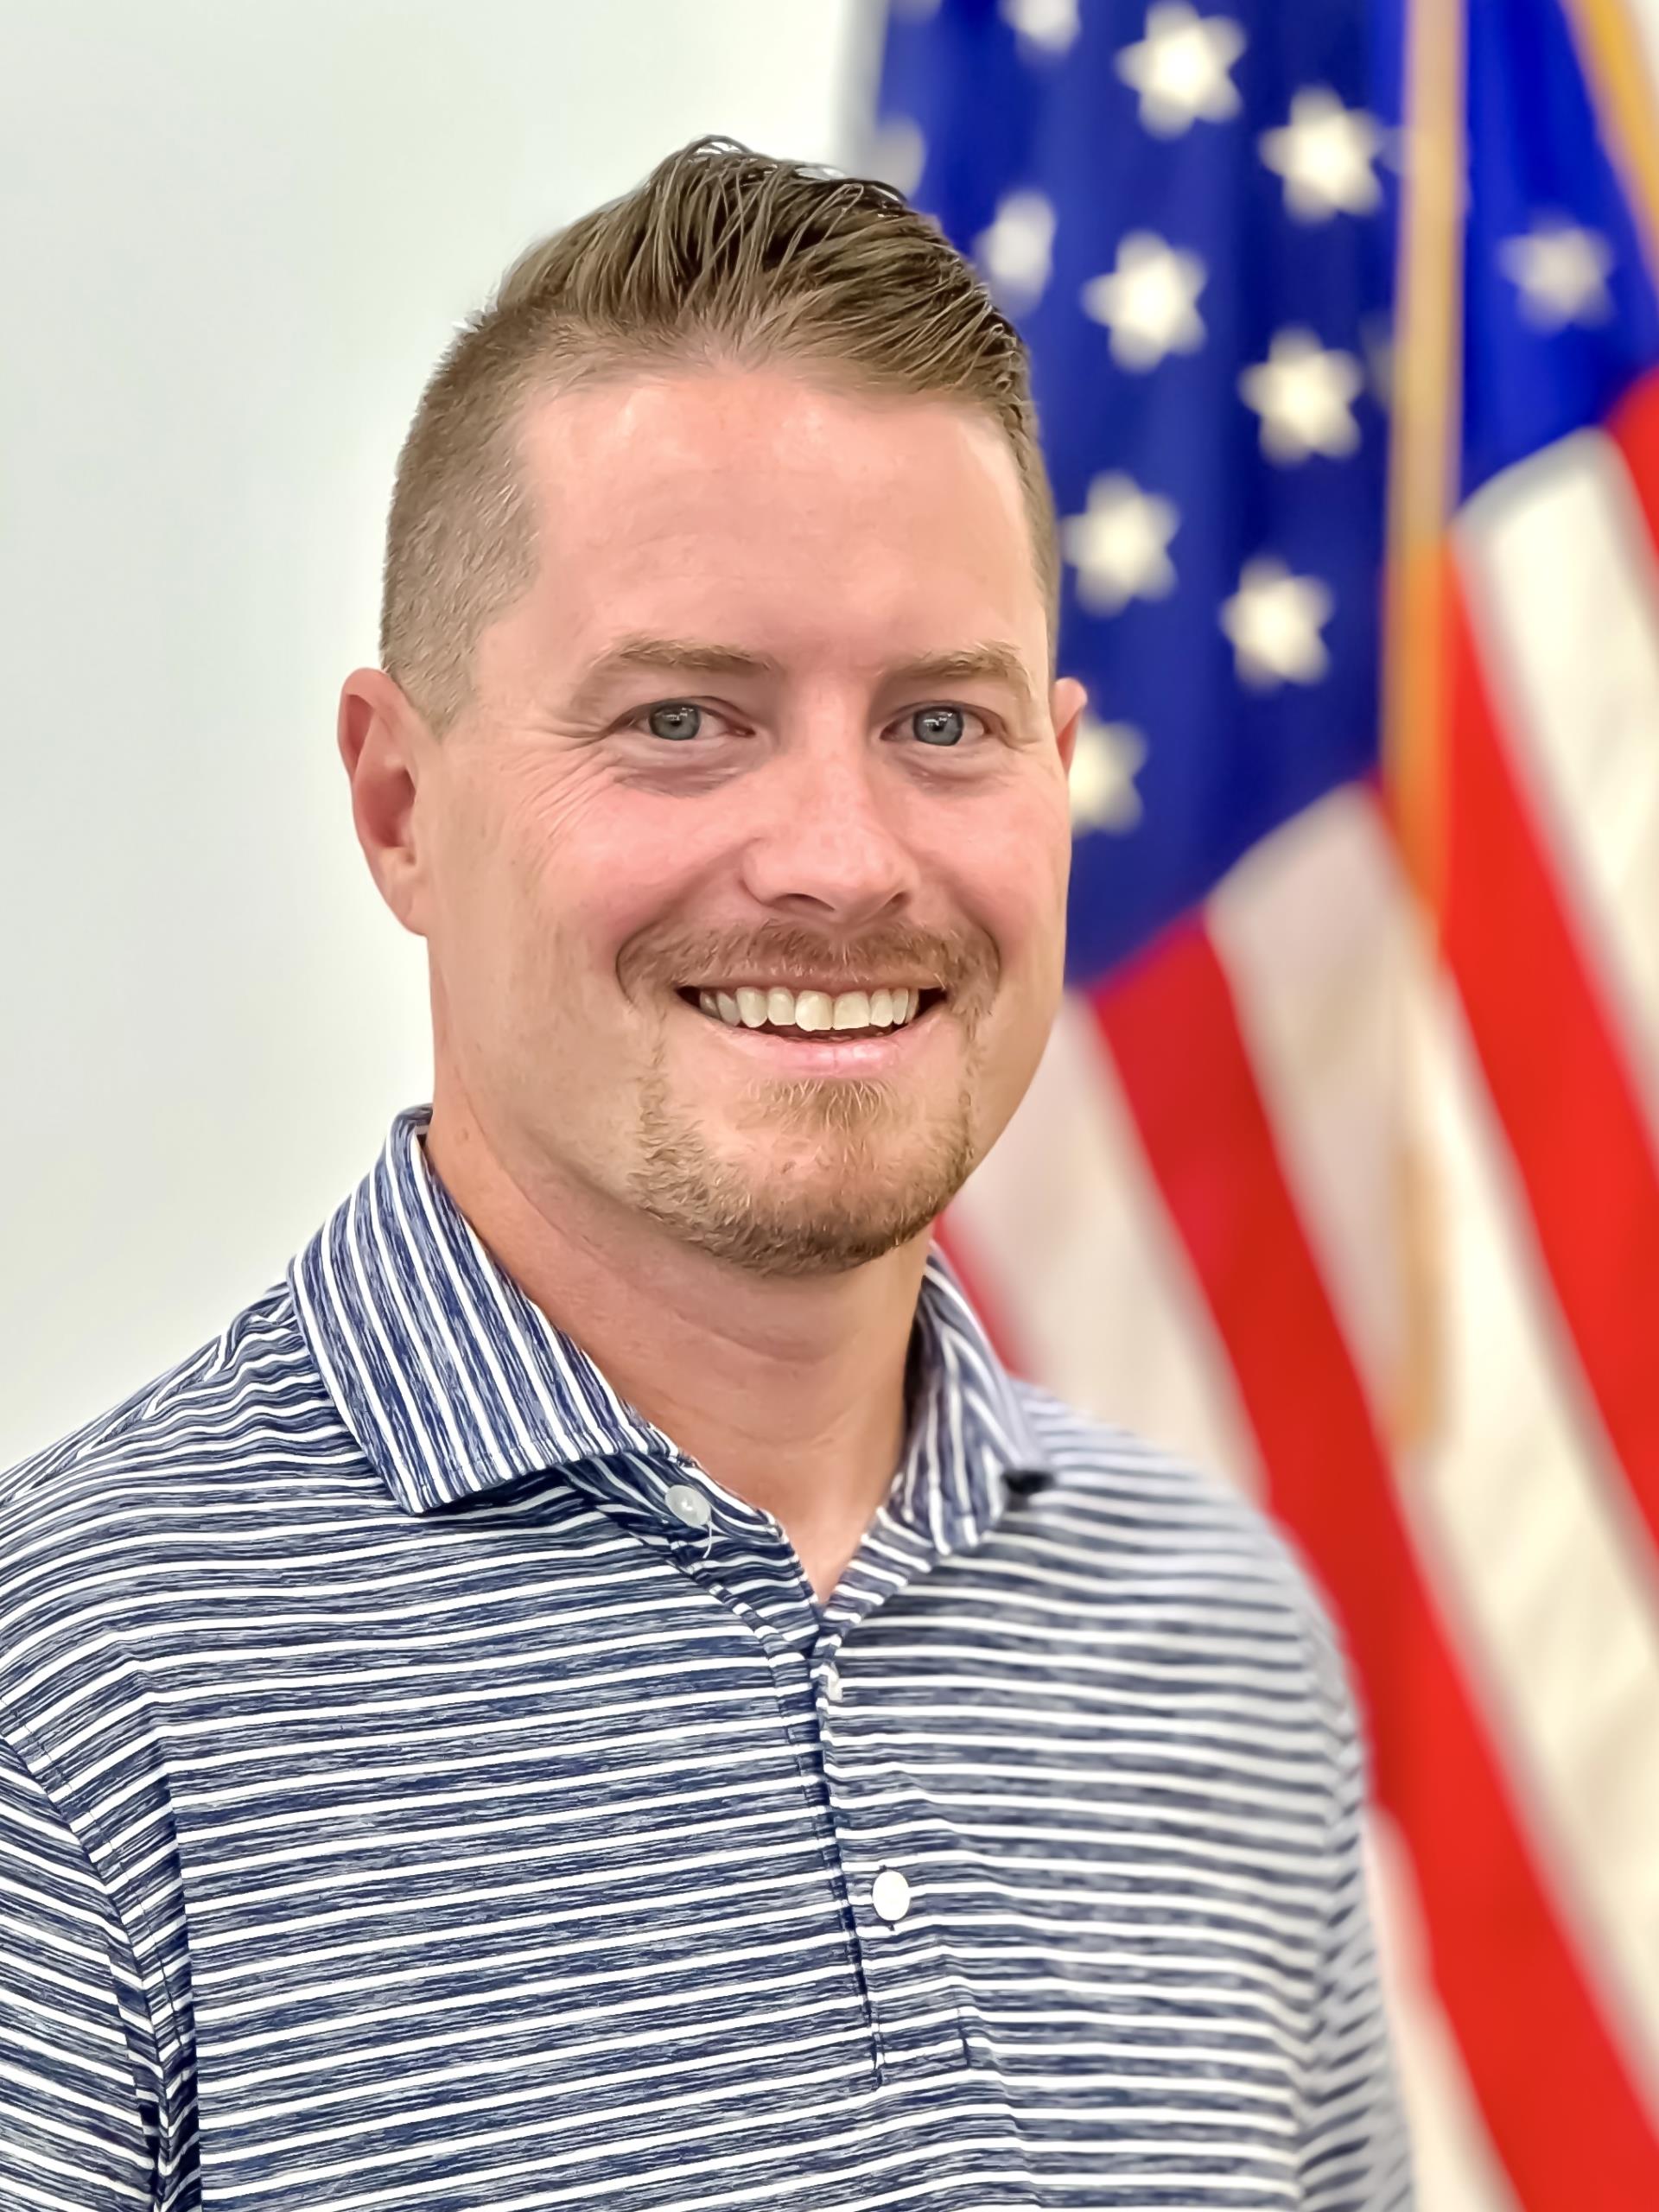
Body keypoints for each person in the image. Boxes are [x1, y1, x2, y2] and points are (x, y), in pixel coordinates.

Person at [0, 139, 1412, 2210]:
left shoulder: (1216, 1648)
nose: (842, 856)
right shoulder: (67, 1705)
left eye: (944, 721)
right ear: (400, 802)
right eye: (682, 717)